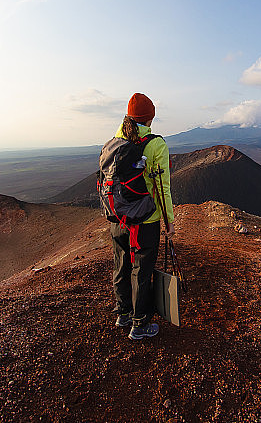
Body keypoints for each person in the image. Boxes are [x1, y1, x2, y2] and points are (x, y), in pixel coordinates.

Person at [110, 92, 174, 340]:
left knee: (121, 264)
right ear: (149, 119)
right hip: (145, 220)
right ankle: (140, 324)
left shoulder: (114, 143)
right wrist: (169, 222)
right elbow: (162, 188)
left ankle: (123, 313)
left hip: (118, 219)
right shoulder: (156, 144)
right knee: (142, 269)